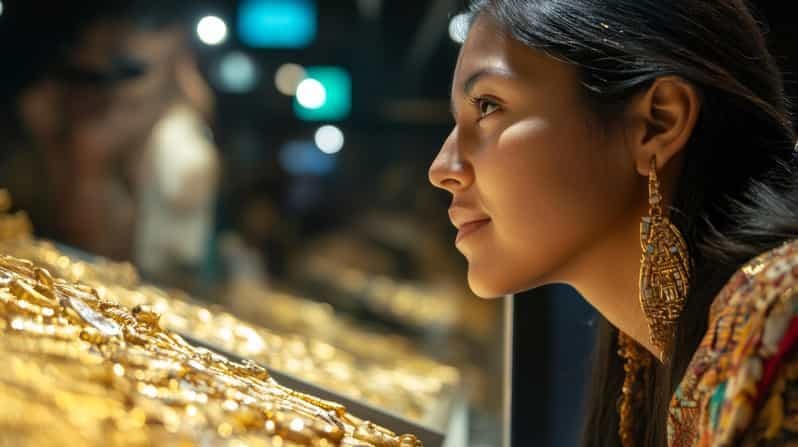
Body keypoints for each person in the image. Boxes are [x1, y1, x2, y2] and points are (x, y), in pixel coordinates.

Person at [428, 1, 798, 446]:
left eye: (488, 105)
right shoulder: (647, 354)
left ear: (657, 122)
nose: (442, 167)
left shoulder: (781, 317)